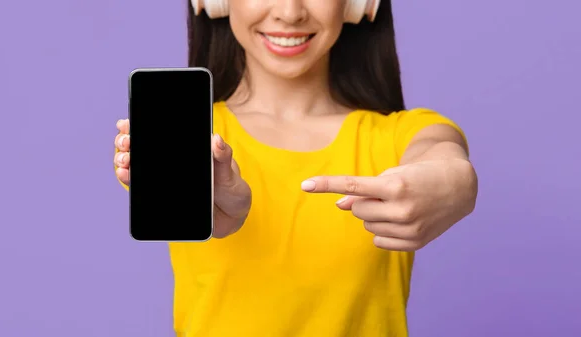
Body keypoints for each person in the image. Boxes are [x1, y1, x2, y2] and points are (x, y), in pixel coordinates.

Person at [113, 0, 478, 336]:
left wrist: (457, 181)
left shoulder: (399, 135)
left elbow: (440, 151)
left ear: (357, 4)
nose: (289, 13)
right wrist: (220, 204)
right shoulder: (183, 138)